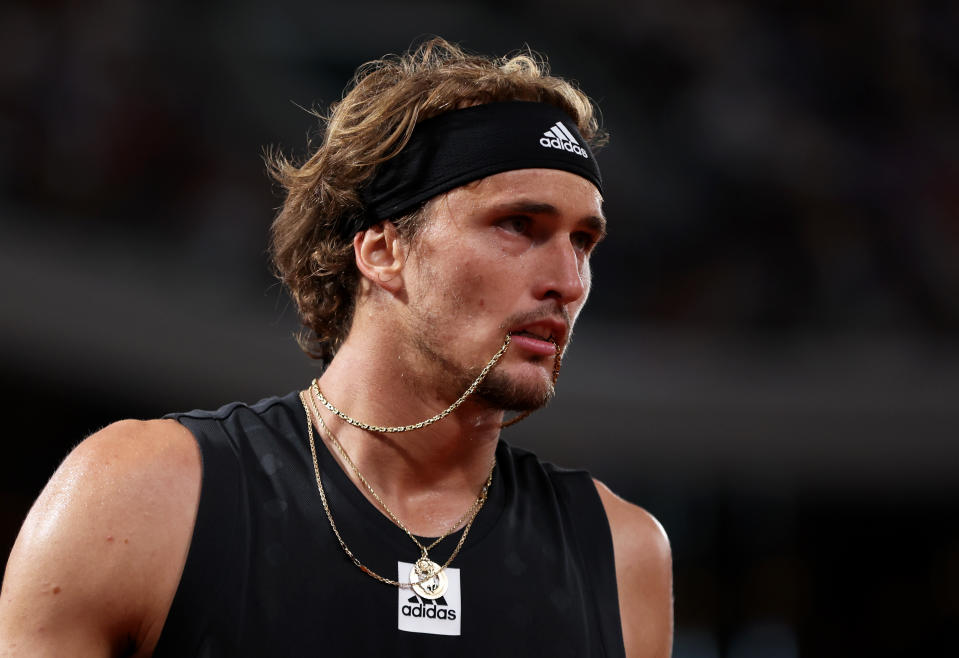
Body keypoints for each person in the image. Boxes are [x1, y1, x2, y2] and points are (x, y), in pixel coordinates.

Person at [0, 38, 672, 657]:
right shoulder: (143, 495)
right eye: (518, 225)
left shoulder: (621, 551)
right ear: (382, 250)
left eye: (582, 240)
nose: (567, 282)